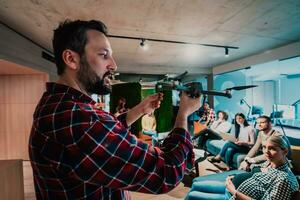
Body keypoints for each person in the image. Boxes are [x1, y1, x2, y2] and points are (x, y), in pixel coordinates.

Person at [28, 19, 201, 200]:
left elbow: (104, 136)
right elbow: (167, 173)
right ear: (71, 59)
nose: (113, 65)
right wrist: (183, 115)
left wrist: (140, 109)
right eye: (104, 55)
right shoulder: (77, 118)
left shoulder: (59, 104)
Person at [226, 135, 299, 199]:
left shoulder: (284, 179)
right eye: (264, 147)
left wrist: (234, 192)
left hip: (234, 195)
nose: (266, 151)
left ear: (285, 151)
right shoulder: (270, 162)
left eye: (272, 148)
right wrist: (234, 177)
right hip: (231, 189)